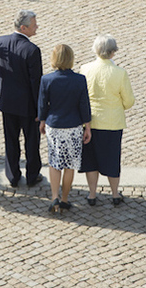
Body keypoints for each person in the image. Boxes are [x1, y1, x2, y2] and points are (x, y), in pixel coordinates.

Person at [79, 34, 135, 207]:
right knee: (112, 158)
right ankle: (115, 194)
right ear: (113, 52)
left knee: (91, 160)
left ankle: (92, 194)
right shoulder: (120, 73)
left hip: (90, 122)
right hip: (112, 122)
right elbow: (129, 101)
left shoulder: (85, 69)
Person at [38, 43, 92, 213]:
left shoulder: (46, 79)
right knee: (69, 165)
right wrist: (87, 127)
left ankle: (54, 196)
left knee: (54, 163)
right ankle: (65, 199)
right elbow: (84, 105)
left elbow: (42, 105)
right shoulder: (79, 80)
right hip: (74, 126)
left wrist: (42, 121)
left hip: (54, 125)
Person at [0, 9, 43, 188]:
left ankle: (13, 176)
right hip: (28, 106)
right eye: (34, 25)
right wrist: (40, 109)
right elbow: (36, 83)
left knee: (11, 140)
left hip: (7, 102)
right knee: (31, 141)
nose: (37, 27)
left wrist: (3, 92)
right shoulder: (32, 50)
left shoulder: (1, 42)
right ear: (23, 27)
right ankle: (32, 175)